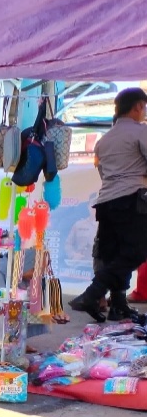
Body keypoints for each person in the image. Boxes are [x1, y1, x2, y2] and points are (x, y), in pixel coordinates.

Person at [70, 88, 147, 323]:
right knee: (136, 251)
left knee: (114, 254)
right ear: (137, 106)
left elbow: (103, 172)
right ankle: (92, 294)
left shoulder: (104, 140)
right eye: (144, 107)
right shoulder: (140, 131)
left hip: (106, 201)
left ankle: (118, 305)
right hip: (131, 199)